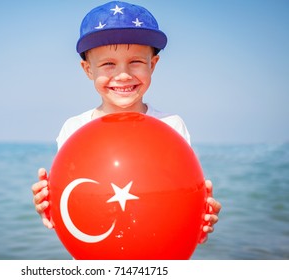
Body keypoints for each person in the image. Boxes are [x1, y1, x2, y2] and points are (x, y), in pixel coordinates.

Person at [32, 1, 221, 245]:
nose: (123, 74)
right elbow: (74, 200)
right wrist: (49, 206)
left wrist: (199, 217)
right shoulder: (74, 130)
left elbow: (180, 195)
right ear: (88, 69)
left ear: (153, 65)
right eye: (108, 64)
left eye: (136, 62)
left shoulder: (171, 127)